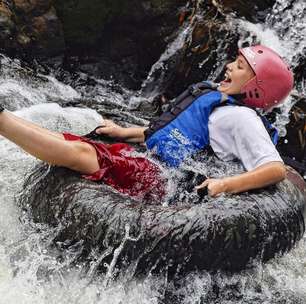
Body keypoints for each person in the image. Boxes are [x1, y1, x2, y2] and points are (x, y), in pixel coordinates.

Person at [0, 45, 293, 198]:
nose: (229, 66)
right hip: (159, 164)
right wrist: (124, 132)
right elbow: (175, 135)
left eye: (240, 67)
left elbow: (275, 169)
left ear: (258, 86)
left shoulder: (243, 119)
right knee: (81, 143)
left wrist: (224, 185)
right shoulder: (217, 102)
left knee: (84, 155)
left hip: (170, 184)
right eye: (234, 60)